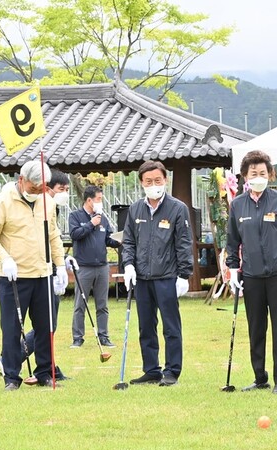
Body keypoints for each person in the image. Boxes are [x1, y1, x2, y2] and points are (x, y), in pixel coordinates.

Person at [0, 160, 67, 390]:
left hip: (43, 273)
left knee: (46, 326)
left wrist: (60, 265)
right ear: (21, 180)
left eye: (41, 188)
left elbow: (54, 235)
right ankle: (11, 377)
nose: (37, 192)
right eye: (34, 188)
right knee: (11, 328)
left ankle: (45, 372)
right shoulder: (2, 202)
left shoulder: (47, 202)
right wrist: (4, 258)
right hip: (13, 276)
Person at [226, 150, 277, 395]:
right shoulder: (238, 205)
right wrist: (232, 268)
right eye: (253, 173)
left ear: (269, 174)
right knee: (256, 329)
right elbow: (232, 240)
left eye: (262, 172)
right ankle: (260, 378)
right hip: (252, 275)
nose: (258, 177)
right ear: (245, 176)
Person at [122, 160, 193, 386]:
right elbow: (129, 242)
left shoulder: (177, 208)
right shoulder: (135, 209)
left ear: (166, 180)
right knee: (146, 327)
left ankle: (172, 371)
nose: (154, 184)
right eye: (149, 181)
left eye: (158, 180)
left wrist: (184, 275)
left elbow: (183, 244)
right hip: (142, 278)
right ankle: (151, 370)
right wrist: (128, 265)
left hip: (167, 277)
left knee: (171, 327)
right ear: (142, 183)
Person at [22, 168, 71, 382]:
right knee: (46, 323)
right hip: (37, 271)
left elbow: (55, 238)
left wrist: (62, 262)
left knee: (50, 322)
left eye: (68, 189)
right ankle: (11, 356)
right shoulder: (37, 205)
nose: (64, 193)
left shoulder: (52, 207)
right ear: (48, 187)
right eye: (61, 189)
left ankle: (50, 366)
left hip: (52, 268)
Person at [69, 185, 121, 348]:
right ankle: (78, 337)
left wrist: (120, 240)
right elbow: (75, 234)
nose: (101, 202)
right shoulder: (75, 216)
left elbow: (108, 239)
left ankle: (104, 336)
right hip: (83, 267)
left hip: (102, 267)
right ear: (89, 200)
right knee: (80, 304)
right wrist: (91, 224)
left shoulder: (102, 218)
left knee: (102, 304)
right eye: (99, 199)